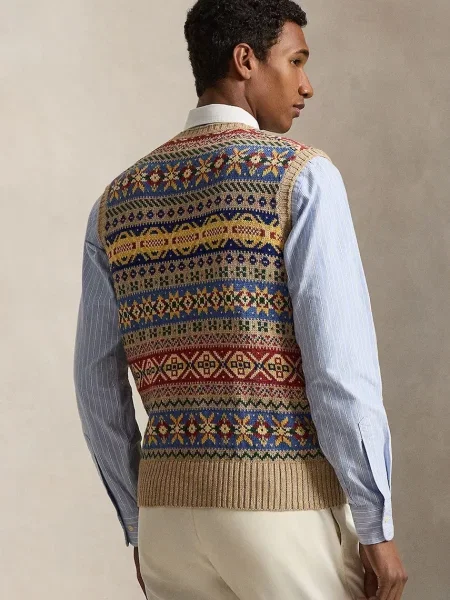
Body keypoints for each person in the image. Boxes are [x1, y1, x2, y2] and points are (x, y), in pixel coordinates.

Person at [73, 1, 408, 598]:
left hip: (168, 522)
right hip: (280, 510)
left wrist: (139, 520)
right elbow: (338, 370)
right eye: (296, 61)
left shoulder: (116, 202)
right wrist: (375, 519)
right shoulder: (300, 177)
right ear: (246, 60)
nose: (307, 85)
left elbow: (95, 384)